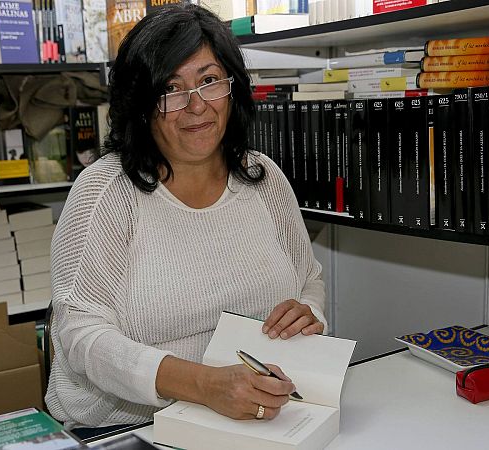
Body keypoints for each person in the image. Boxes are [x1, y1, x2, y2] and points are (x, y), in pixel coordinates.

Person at [45, 3, 327, 436]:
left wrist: (310, 313)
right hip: (130, 428)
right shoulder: (106, 192)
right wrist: (204, 385)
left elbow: (308, 278)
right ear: (141, 104)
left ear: (232, 89)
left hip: (261, 419)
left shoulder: (264, 177)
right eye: (171, 89)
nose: (196, 106)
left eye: (209, 81)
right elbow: (81, 335)